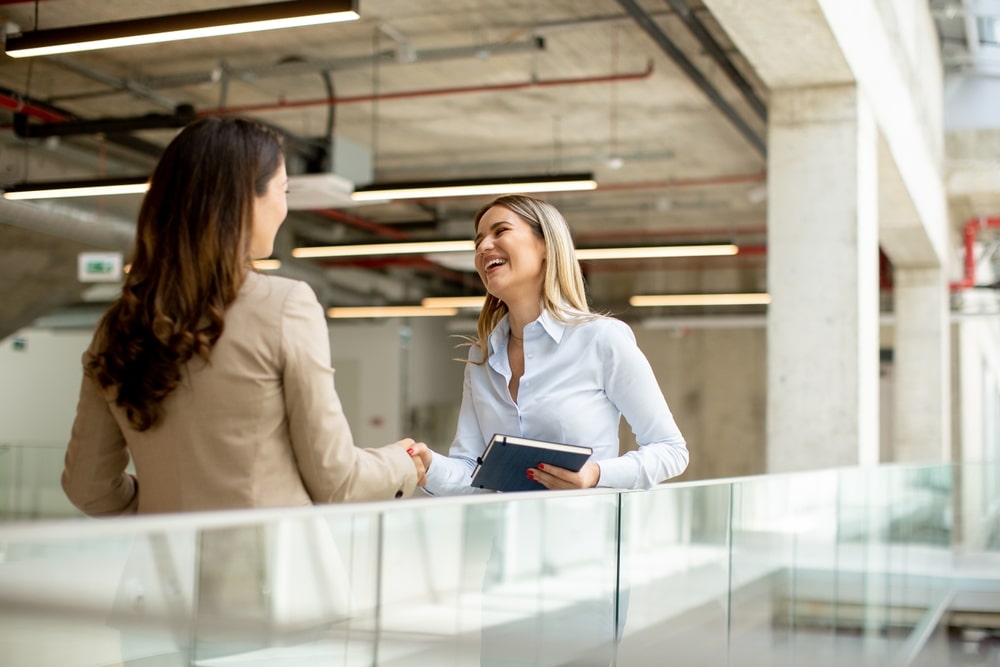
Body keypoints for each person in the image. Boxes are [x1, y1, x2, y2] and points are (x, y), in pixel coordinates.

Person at [62, 116, 428, 516]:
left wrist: (162, 506)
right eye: (283, 190)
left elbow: (90, 489)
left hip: (164, 571)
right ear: (244, 199)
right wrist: (400, 461)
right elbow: (336, 480)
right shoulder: (286, 304)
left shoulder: (120, 323)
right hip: (270, 569)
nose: (285, 208)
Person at [420, 193, 688, 495]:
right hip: (505, 539)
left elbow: (671, 450)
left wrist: (596, 474)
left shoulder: (601, 339)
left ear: (545, 244)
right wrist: (427, 467)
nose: (482, 247)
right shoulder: (482, 358)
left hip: (583, 537)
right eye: (478, 240)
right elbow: (471, 473)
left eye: (500, 231)